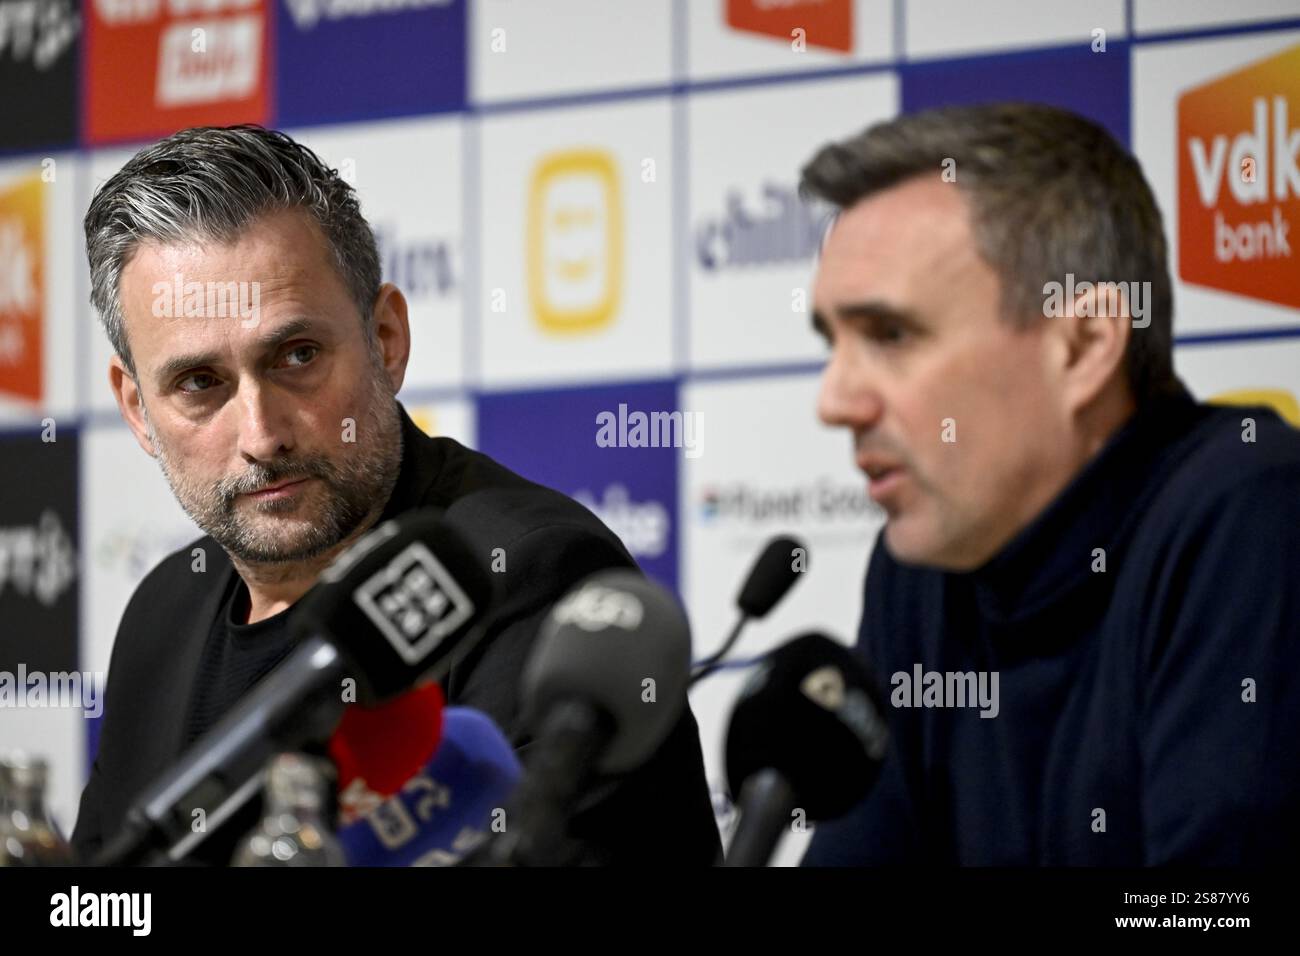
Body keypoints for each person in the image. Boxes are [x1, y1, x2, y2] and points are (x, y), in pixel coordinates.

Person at [71, 125, 720, 866]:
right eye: (199, 384)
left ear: (386, 339)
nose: (261, 434)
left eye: (297, 356)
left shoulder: (527, 578)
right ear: (136, 409)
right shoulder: (164, 611)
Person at [800, 103, 1300, 865]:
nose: (834, 402)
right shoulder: (921, 565)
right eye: (833, 344)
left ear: (1083, 346)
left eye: (891, 336)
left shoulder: (1251, 511)